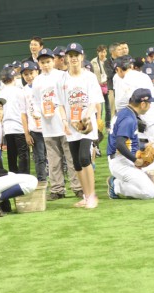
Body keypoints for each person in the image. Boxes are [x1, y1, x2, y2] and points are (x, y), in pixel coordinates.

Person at [32, 48, 83, 200]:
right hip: (48, 126)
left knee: (71, 158)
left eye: (48, 61)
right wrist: (36, 112)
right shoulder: (37, 80)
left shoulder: (62, 76)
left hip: (65, 124)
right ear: (39, 63)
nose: (46, 65)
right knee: (53, 160)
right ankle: (57, 189)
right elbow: (35, 100)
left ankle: (78, 187)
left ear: (54, 61)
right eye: (43, 62)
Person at [57, 43, 104, 209]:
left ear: (82, 57)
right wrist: (63, 121)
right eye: (70, 55)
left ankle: (92, 195)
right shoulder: (62, 78)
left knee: (85, 158)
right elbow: (60, 104)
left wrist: (87, 115)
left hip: (86, 125)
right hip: (71, 126)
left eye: (76, 55)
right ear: (66, 59)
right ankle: (85, 195)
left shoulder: (89, 76)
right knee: (76, 163)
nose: (73, 58)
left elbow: (95, 100)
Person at [106, 89, 154, 200]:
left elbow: (127, 141)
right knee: (150, 193)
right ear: (143, 104)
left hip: (123, 159)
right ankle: (116, 185)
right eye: (149, 103)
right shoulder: (129, 119)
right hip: (121, 162)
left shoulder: (125, 112)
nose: (150, 106)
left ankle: (119, 181)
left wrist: (144, 146)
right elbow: (119, 144)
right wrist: (136, 161)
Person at [0, 67, 30, 174]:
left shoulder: (1, 93)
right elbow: (24, 109)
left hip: (7, 127)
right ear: (13, 78)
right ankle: (24, 177)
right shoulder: (19, 91)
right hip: (20, 127)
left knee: (11, 155)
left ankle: (13, 176)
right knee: (23, 154)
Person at [20, 61, 47, 184]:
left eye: (31, 73)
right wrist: (26, 133)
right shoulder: (23, 91)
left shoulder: (45, 86)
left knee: (55, 156)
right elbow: (23, 114)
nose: (29, 76)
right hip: (35, 130)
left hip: (49, 127)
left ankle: (59, 180)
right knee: (39, 157)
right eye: (26, 74)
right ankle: (42, 180)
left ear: (37, 72)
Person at [91, 44, 111, 130]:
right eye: (100, 52)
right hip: (97, 87)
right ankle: (98, 124)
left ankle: (108, 125)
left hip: (107, 86)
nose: (102, 54)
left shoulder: (109, 62)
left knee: (108, 107)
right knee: (99, 108)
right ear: (97, 52)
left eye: (104, 52)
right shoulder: (93, 62)